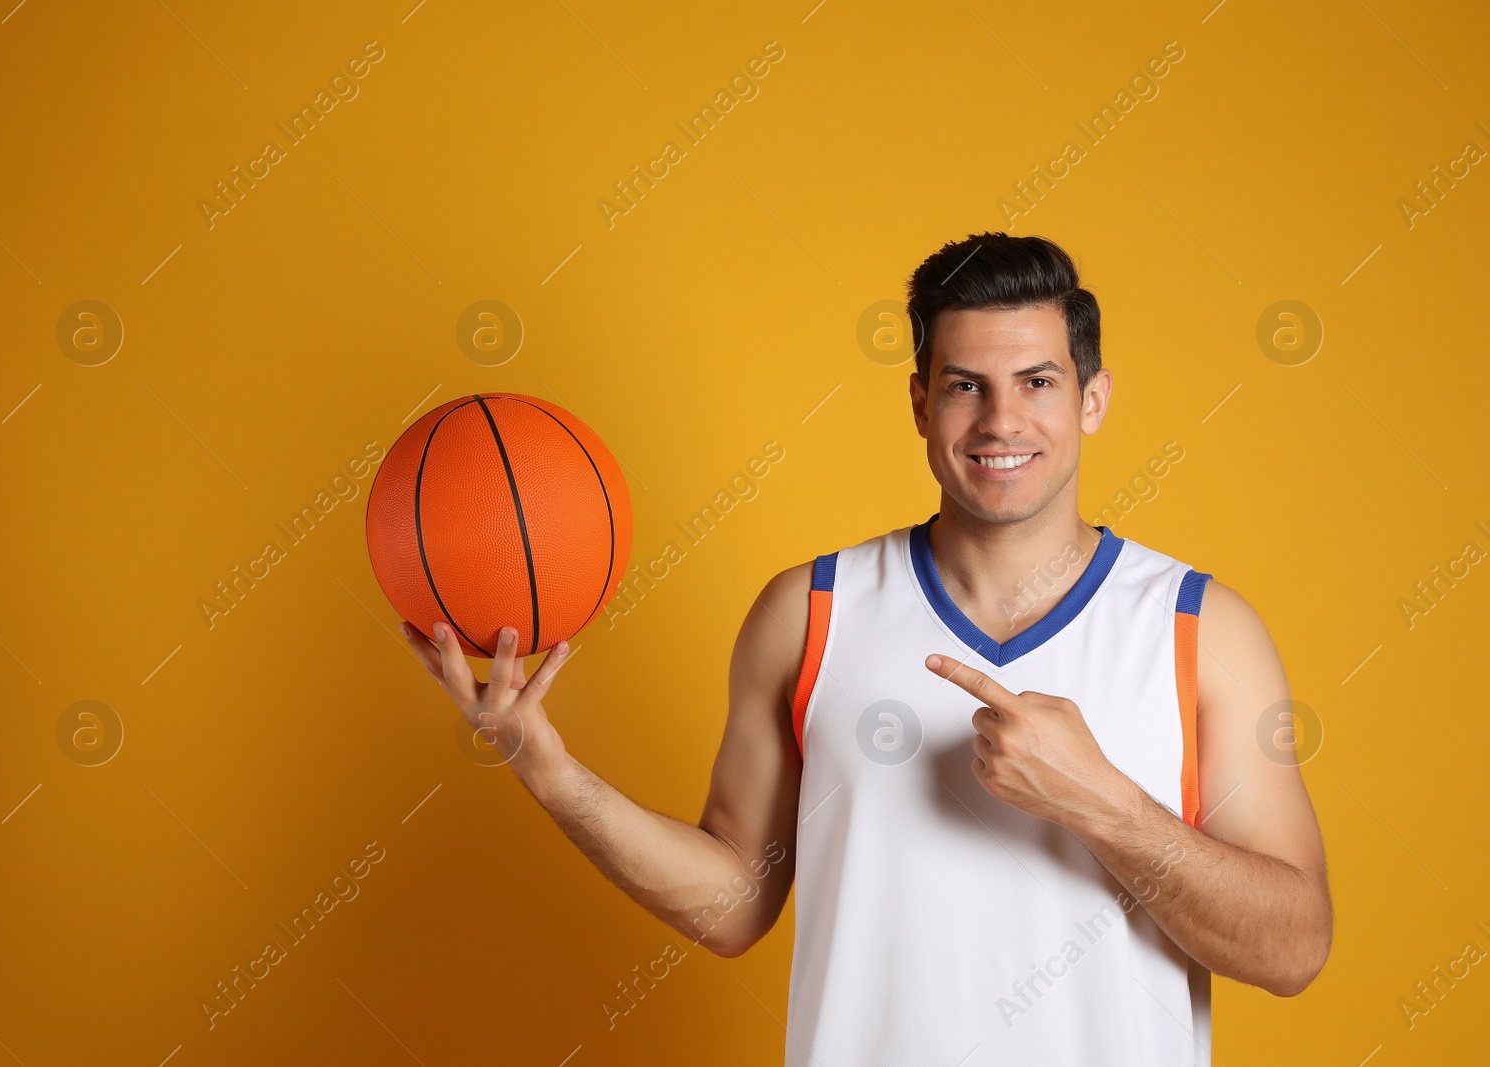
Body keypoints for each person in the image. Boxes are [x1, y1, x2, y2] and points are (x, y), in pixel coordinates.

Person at [401, 232, 1333, 1065]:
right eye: (966, 385)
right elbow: (734, 905)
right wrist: (555, 777)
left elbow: (1293, 949)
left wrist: (1107, 807)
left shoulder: (1201, 629)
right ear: (921, 402)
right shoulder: (809, 613)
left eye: (1037, 383)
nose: (1001, 421)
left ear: (1092, 400)